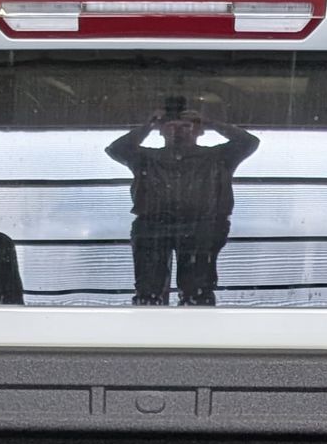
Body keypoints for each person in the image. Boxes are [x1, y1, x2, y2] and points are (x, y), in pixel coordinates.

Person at [107, 108, 259, 306]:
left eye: (186, 126)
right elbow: (117, 149)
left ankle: (193, 331)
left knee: (197, 291)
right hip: (154, 226)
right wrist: (148, 126)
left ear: (199, 131)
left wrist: (211, 122)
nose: (178, 132)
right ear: (161, 131)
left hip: (201, 227)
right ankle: (148, 330)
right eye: (171, 126)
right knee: (148, 291)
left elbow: (249, 142)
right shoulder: (146, 158)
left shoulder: (218, 157)